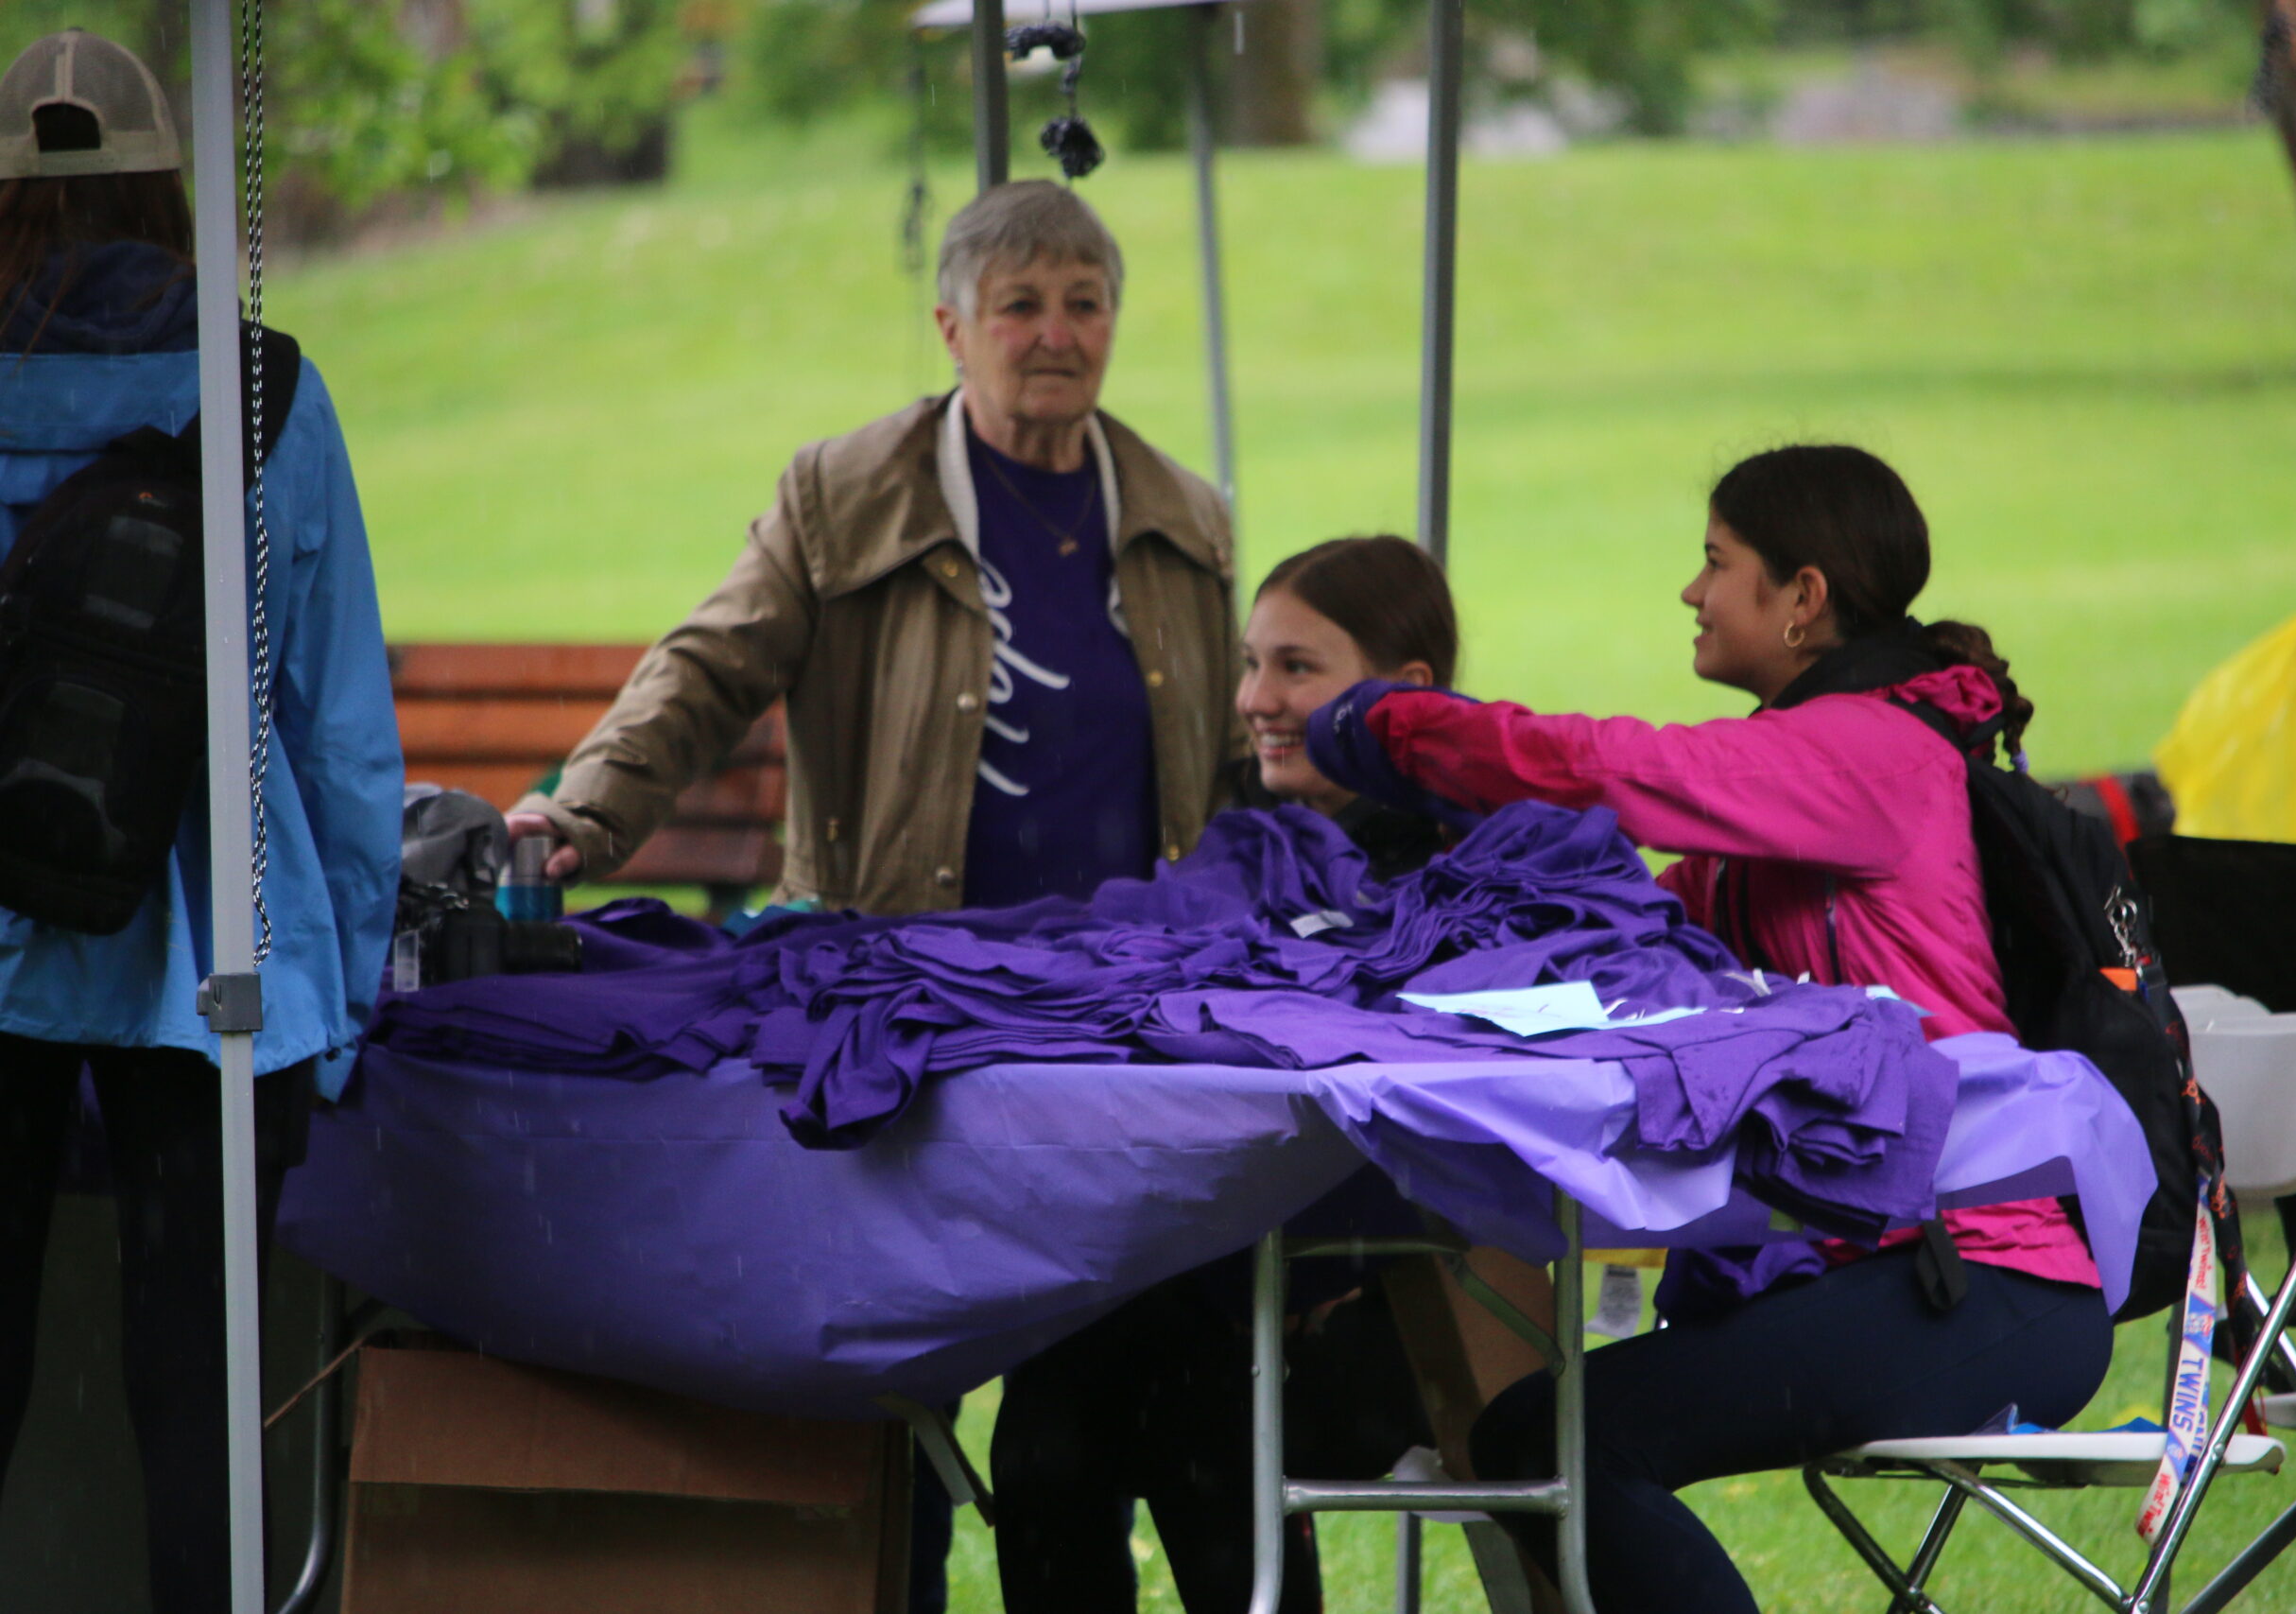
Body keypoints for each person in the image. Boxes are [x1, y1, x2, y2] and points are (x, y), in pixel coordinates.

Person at [504, 178, 1240, 1611]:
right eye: (1020, 304)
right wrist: (586, 812)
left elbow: (1225, 765)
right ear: (951, 323)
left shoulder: (1181, 516)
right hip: (897, 1017)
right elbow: (707, 670)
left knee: (1080, 1426)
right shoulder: (843, 492)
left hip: (1109, 1025)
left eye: (1084, 302)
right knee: (873, 1408)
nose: (1055, 333)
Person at [1308, 446, 2115, 1614]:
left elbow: (1609, 770)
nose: (1691, 592)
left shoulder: (1865, 754)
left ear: (1805, 598)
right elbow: (1618, 928)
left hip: (1981, 1280)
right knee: (1534, 1434)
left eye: (1714, 562)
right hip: (1905, 1267)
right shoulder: (1810, 786)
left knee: (1557, 1442)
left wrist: (1393, 731)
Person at [0, 31, 401, 1613]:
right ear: (173, 184)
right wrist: (351, 990)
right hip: (212, 945)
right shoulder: (265, 391)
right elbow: (342, 731)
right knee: (198, 1386)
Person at [991, 535, 1452, 1614]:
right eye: (1251, 664)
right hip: (1208, 1279)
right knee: (1045, 1428)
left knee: (1197, 1426)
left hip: (1394, 1305)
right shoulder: (1242, 850)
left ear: (1409, 692)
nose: (1254, 698)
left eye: (1297, 666)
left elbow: (1426, 1146)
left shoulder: (1471, 866)